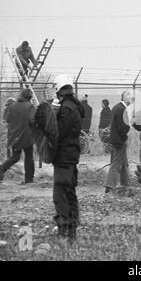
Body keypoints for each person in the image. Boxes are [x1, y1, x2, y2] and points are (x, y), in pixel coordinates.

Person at [51, 74, 84, 242]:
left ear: (59, 90)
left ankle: (65, 229)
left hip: (64, 155)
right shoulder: (75, 106)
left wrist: (52, 116)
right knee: (70, 192)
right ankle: (71, 230)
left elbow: (59, 133)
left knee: (61, 193)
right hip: (71, 155)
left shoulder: (66, 109)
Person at [0, 89, 36, 184]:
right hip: (26, 136)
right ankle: (29, 179)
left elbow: (8, 120)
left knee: (15, 157)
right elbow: (33, 121)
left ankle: (2, 168)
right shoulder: (30, 106)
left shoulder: (12, 106)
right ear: (29, 98)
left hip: (14, 136)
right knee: (29, 157)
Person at [104, 90, 133, 193]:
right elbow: (122, 126)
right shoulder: (122, 109)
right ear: (124, 98)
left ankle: (125, 183)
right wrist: (124, 136)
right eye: (129, 97)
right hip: (120, 140)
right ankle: (109, 185)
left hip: (115, 138)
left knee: (124, 162)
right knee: (116, 162)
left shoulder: (117, 107)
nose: (131, 99)